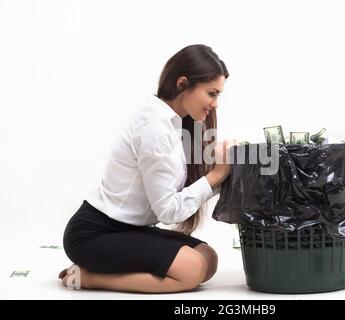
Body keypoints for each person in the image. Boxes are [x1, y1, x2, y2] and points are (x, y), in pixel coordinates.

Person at [58, 44, 236, 293]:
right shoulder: (154, 127)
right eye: (211, 93)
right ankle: (86, 277)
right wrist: (216, 175)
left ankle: (107, 270)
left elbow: (185, 193)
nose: (215, 104)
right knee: (192, 270)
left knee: (208, 259)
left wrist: (228, 172)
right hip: (94, 234)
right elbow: (168, 211)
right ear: (183, 84)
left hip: (131, 230)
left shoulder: (176, 125)